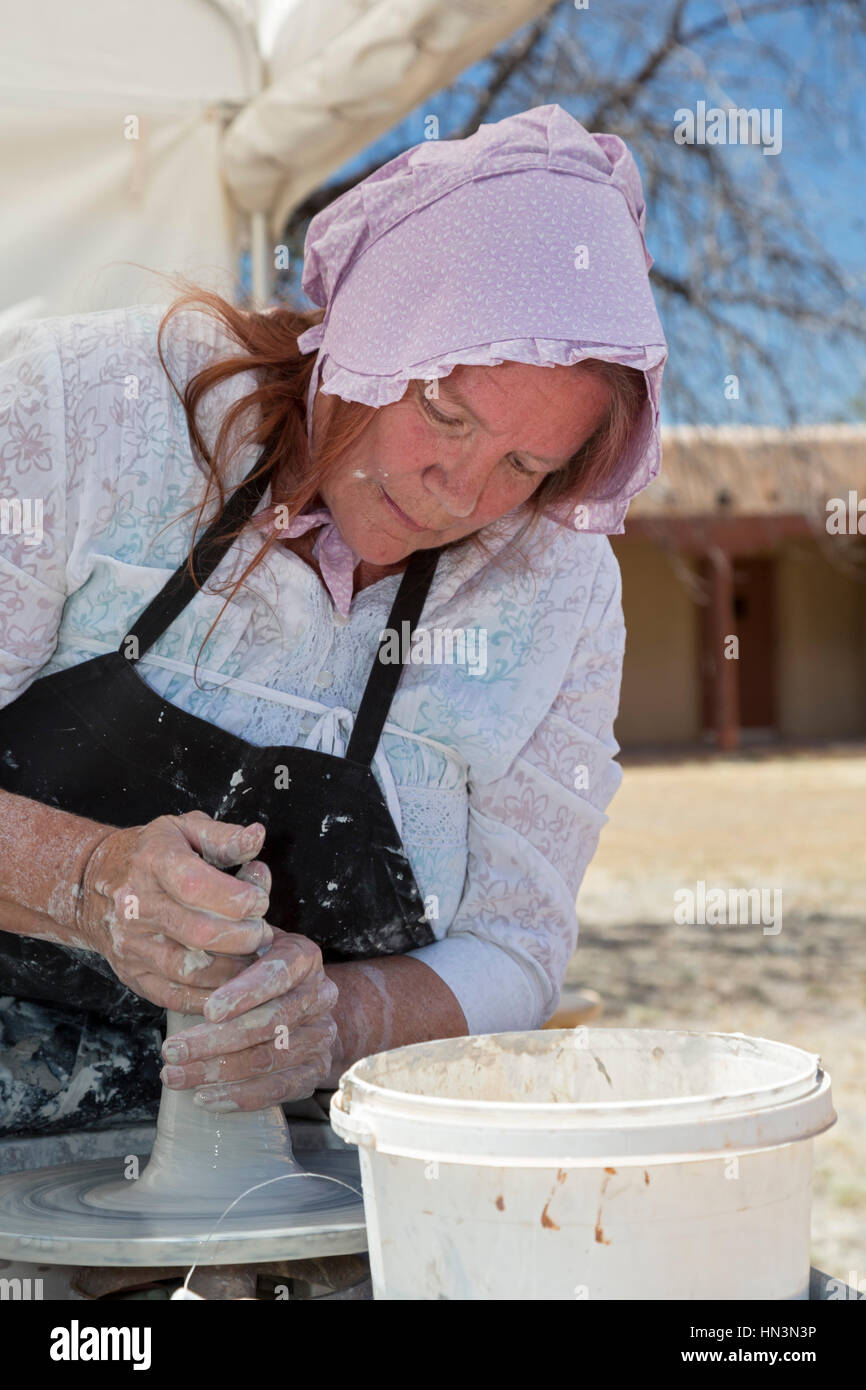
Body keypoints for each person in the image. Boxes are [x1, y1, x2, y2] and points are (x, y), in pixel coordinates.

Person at [0, 104, 667, 1136]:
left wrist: (340, 1016)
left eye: (524, 468)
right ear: (363, 333)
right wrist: (86, 880)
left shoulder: (558, 588)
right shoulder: (90, 407)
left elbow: (516, 948)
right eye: (445, 415)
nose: (457, 494)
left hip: (283, 1157)